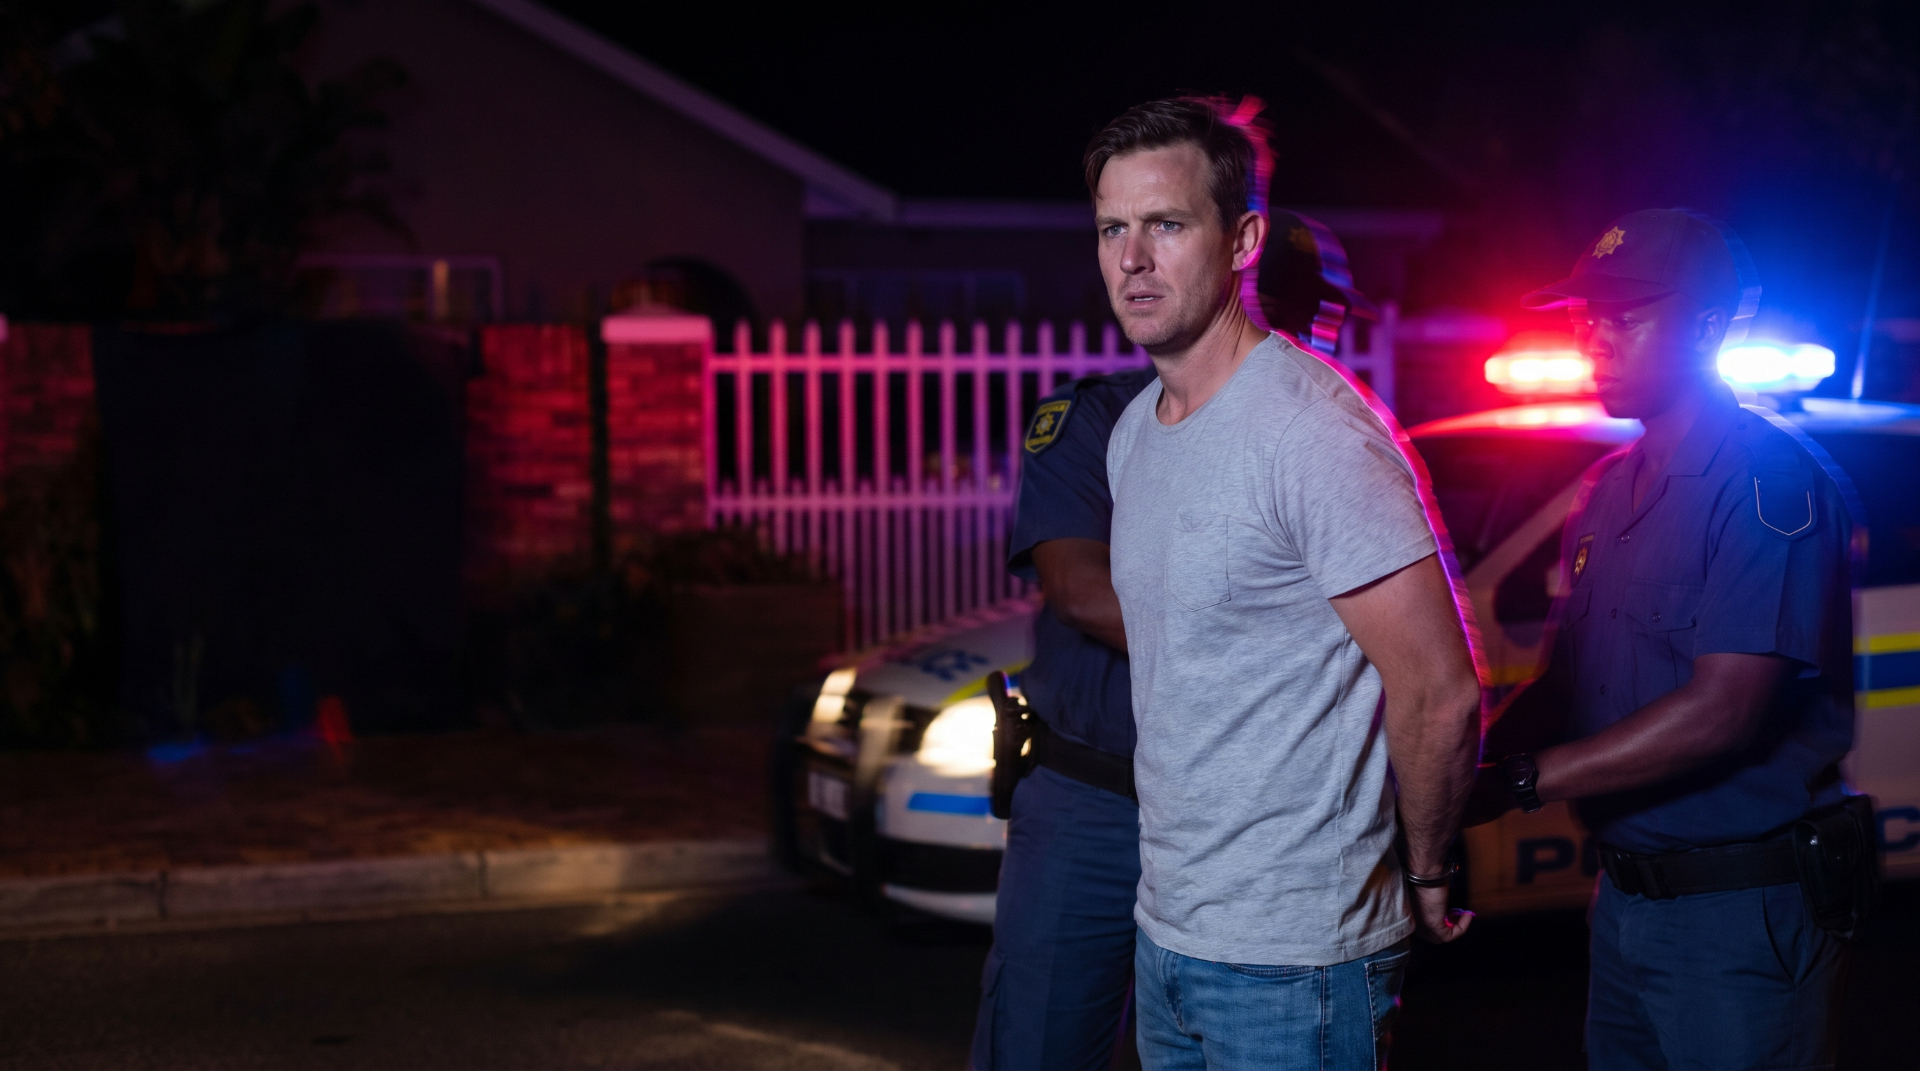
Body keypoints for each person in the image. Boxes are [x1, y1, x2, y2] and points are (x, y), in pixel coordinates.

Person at [1095, 96, 1483, 1069]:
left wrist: (1426, 867)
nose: (1132, 258)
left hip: (1297, 958)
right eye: (1112, 228)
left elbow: (1439, 689)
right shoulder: (1134, 434)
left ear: (1243, 240)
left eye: (1166, 225)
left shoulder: (1314, 432)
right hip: (1168, 931)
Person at [970, 167, 1383, 1071]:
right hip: (1096, 798)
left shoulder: (1331, 437)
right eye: (1284, 308)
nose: (1302, 335)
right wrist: (1283, 653)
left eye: (1319, 316)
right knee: (1040, 1043)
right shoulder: (1104, 417)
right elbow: (1079, 588)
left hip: (1255, 817)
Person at [1467, 208, 1864, 1070]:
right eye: (1586, 316)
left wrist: (1519, 782)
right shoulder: (1607, 489)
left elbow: (1725, 711)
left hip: (1739, 914)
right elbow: (1568, 680)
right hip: (1624, 900)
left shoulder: (1767, 481)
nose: (1594, 337)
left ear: (1711, 327)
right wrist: (1461, 768)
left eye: (1625, 314)